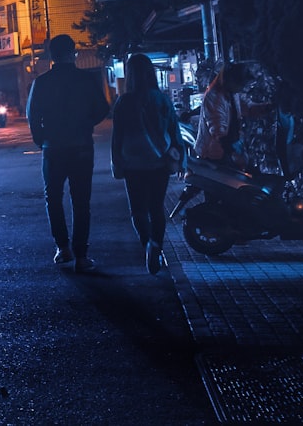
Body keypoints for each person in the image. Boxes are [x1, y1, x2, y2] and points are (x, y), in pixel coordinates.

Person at [27, 34, 110, 271]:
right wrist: (86, 125)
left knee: (53, 197)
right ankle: (82, 256)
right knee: (81, 200)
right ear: (73, 53)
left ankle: (62, 248)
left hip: (53, 147)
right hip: (82, 146)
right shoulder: (85, 79)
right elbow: (102, 108)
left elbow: (33, 116)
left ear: (52, 56)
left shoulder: (42, 83)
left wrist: (41, 140)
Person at [110, 54, 186, 275]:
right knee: (156, 208)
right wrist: (180, 158)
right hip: (160, 162)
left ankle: (148, 245)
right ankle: (157, 245)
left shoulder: (124, 102)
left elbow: (117, 137)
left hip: (133, 163)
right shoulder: (161, 99)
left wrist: (117, 162)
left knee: (138, 210)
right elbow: (174, 130)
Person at [194, 63, 269, 168]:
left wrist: (268, 108)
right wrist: (232, 151)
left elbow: (248, 107)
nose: (242, 88)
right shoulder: (215, 98)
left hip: (228, 149)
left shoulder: (232, 93)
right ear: (231, 80)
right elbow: (218, 129)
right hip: (213, 155)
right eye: (241, 84)